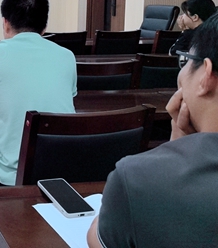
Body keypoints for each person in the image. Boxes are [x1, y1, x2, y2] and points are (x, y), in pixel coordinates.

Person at [88, 12, 218, 247]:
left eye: (185, 60)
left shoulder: (136, 179)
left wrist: (176, 151)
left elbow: (97, 239)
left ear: (205, 76)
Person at [0, 0, 77, 186]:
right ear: (44, 27)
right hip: (62, 176)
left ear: (5, 23)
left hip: (15, 180)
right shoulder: (67, 56)